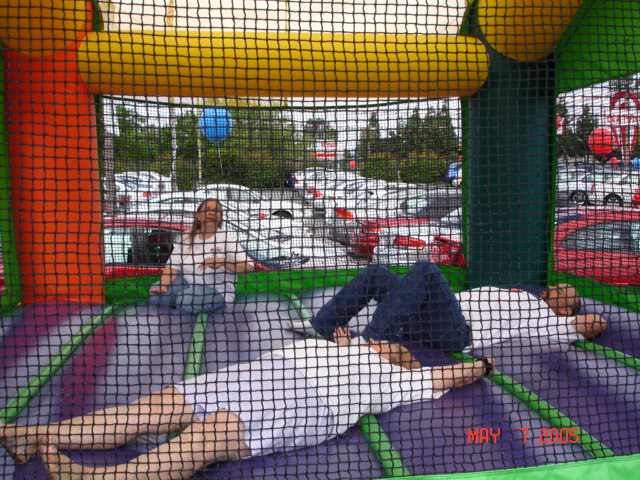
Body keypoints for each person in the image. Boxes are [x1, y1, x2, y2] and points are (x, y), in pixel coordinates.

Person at [0, 336, 493, 480]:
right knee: (152, 408)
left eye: (389, 344)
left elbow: (453, 374)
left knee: (211, 433)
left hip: (309, 400)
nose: (380, 341)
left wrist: (482, 365)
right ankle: (35, 434)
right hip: (255, 374)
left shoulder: (403, 379)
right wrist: (347, 343)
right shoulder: (338, 346)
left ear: (398, 357)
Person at [290, 260, 606, 352]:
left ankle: (371, 342)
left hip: (454, 332)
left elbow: (596, 323)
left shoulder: (547, 319)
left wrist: (576, 315)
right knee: (376, 273)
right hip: (430, 314)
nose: (553, 287)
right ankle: (322, 326)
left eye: (560, 291)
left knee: (425, 269)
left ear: (565, 310)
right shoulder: (526, 295)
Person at [149, 198, 254, 314]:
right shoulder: (187, 236)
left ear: (220, 218)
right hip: (187, 284)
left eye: (216, 210)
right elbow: (172, 267)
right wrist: (164, 285)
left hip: (216, 290)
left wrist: (223, 261)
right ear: (198, 216)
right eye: (207, 209)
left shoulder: (226, 239)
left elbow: (248, 267)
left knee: (186, 301)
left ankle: (181, 301)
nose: (211, 213)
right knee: (158, 297)